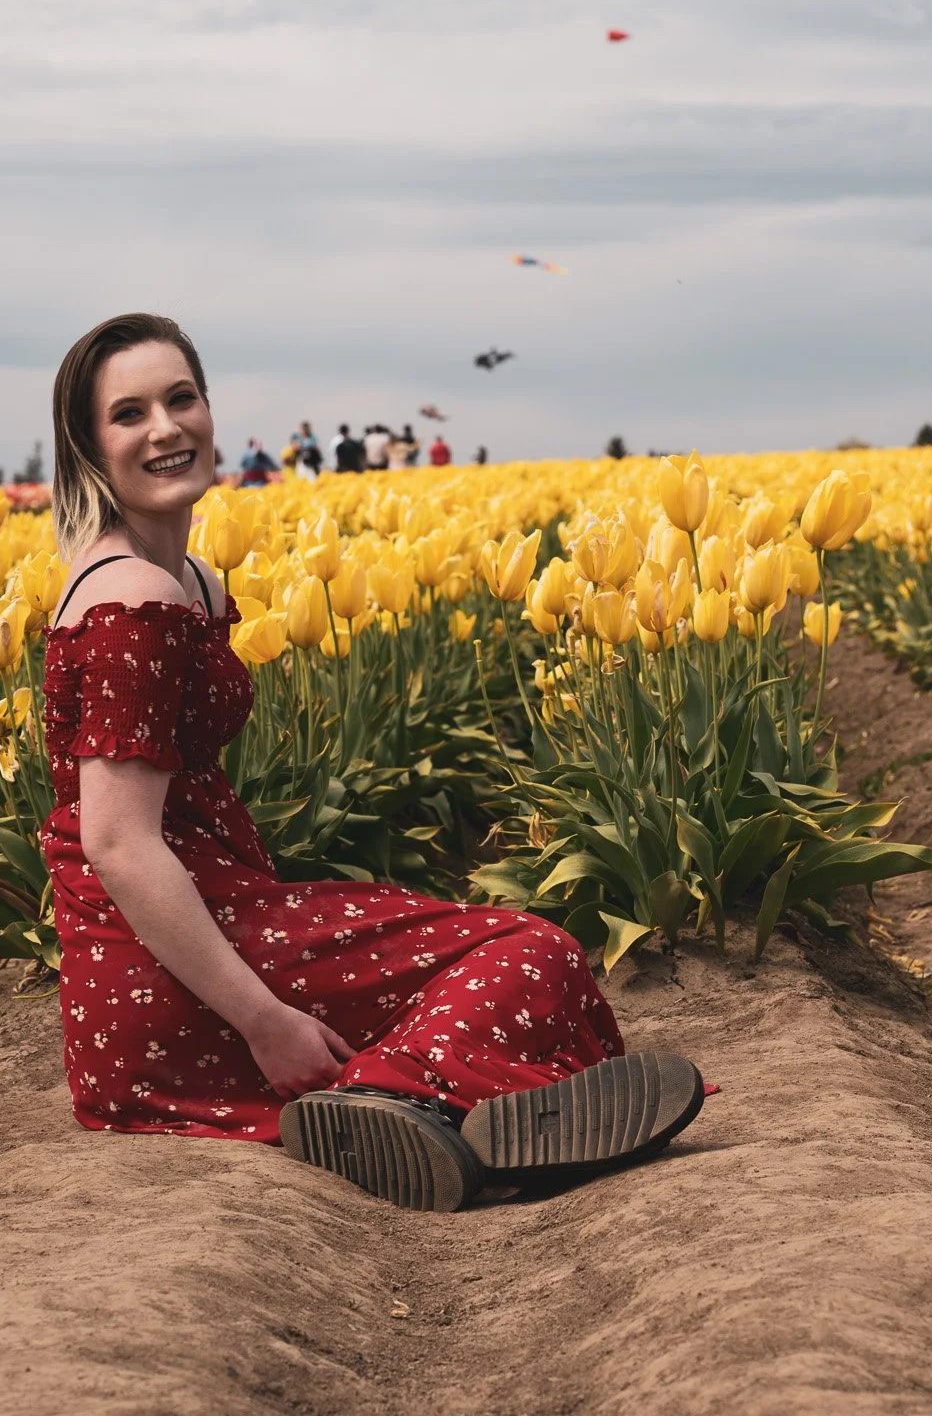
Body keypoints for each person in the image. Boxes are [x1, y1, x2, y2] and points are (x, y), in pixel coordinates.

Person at [40, 312, 706, 1212]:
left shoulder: (184, 580)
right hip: (167, 969)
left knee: (497, 954)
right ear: (87, 446)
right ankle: (393, 1099)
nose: (165, 428)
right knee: (531, 951)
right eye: (129, 414)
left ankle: (424, 1109)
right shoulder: (134, 599)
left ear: (208, 408)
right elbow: (119, 846)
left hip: (196, 933)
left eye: (180, 398)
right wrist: (265, 1022)